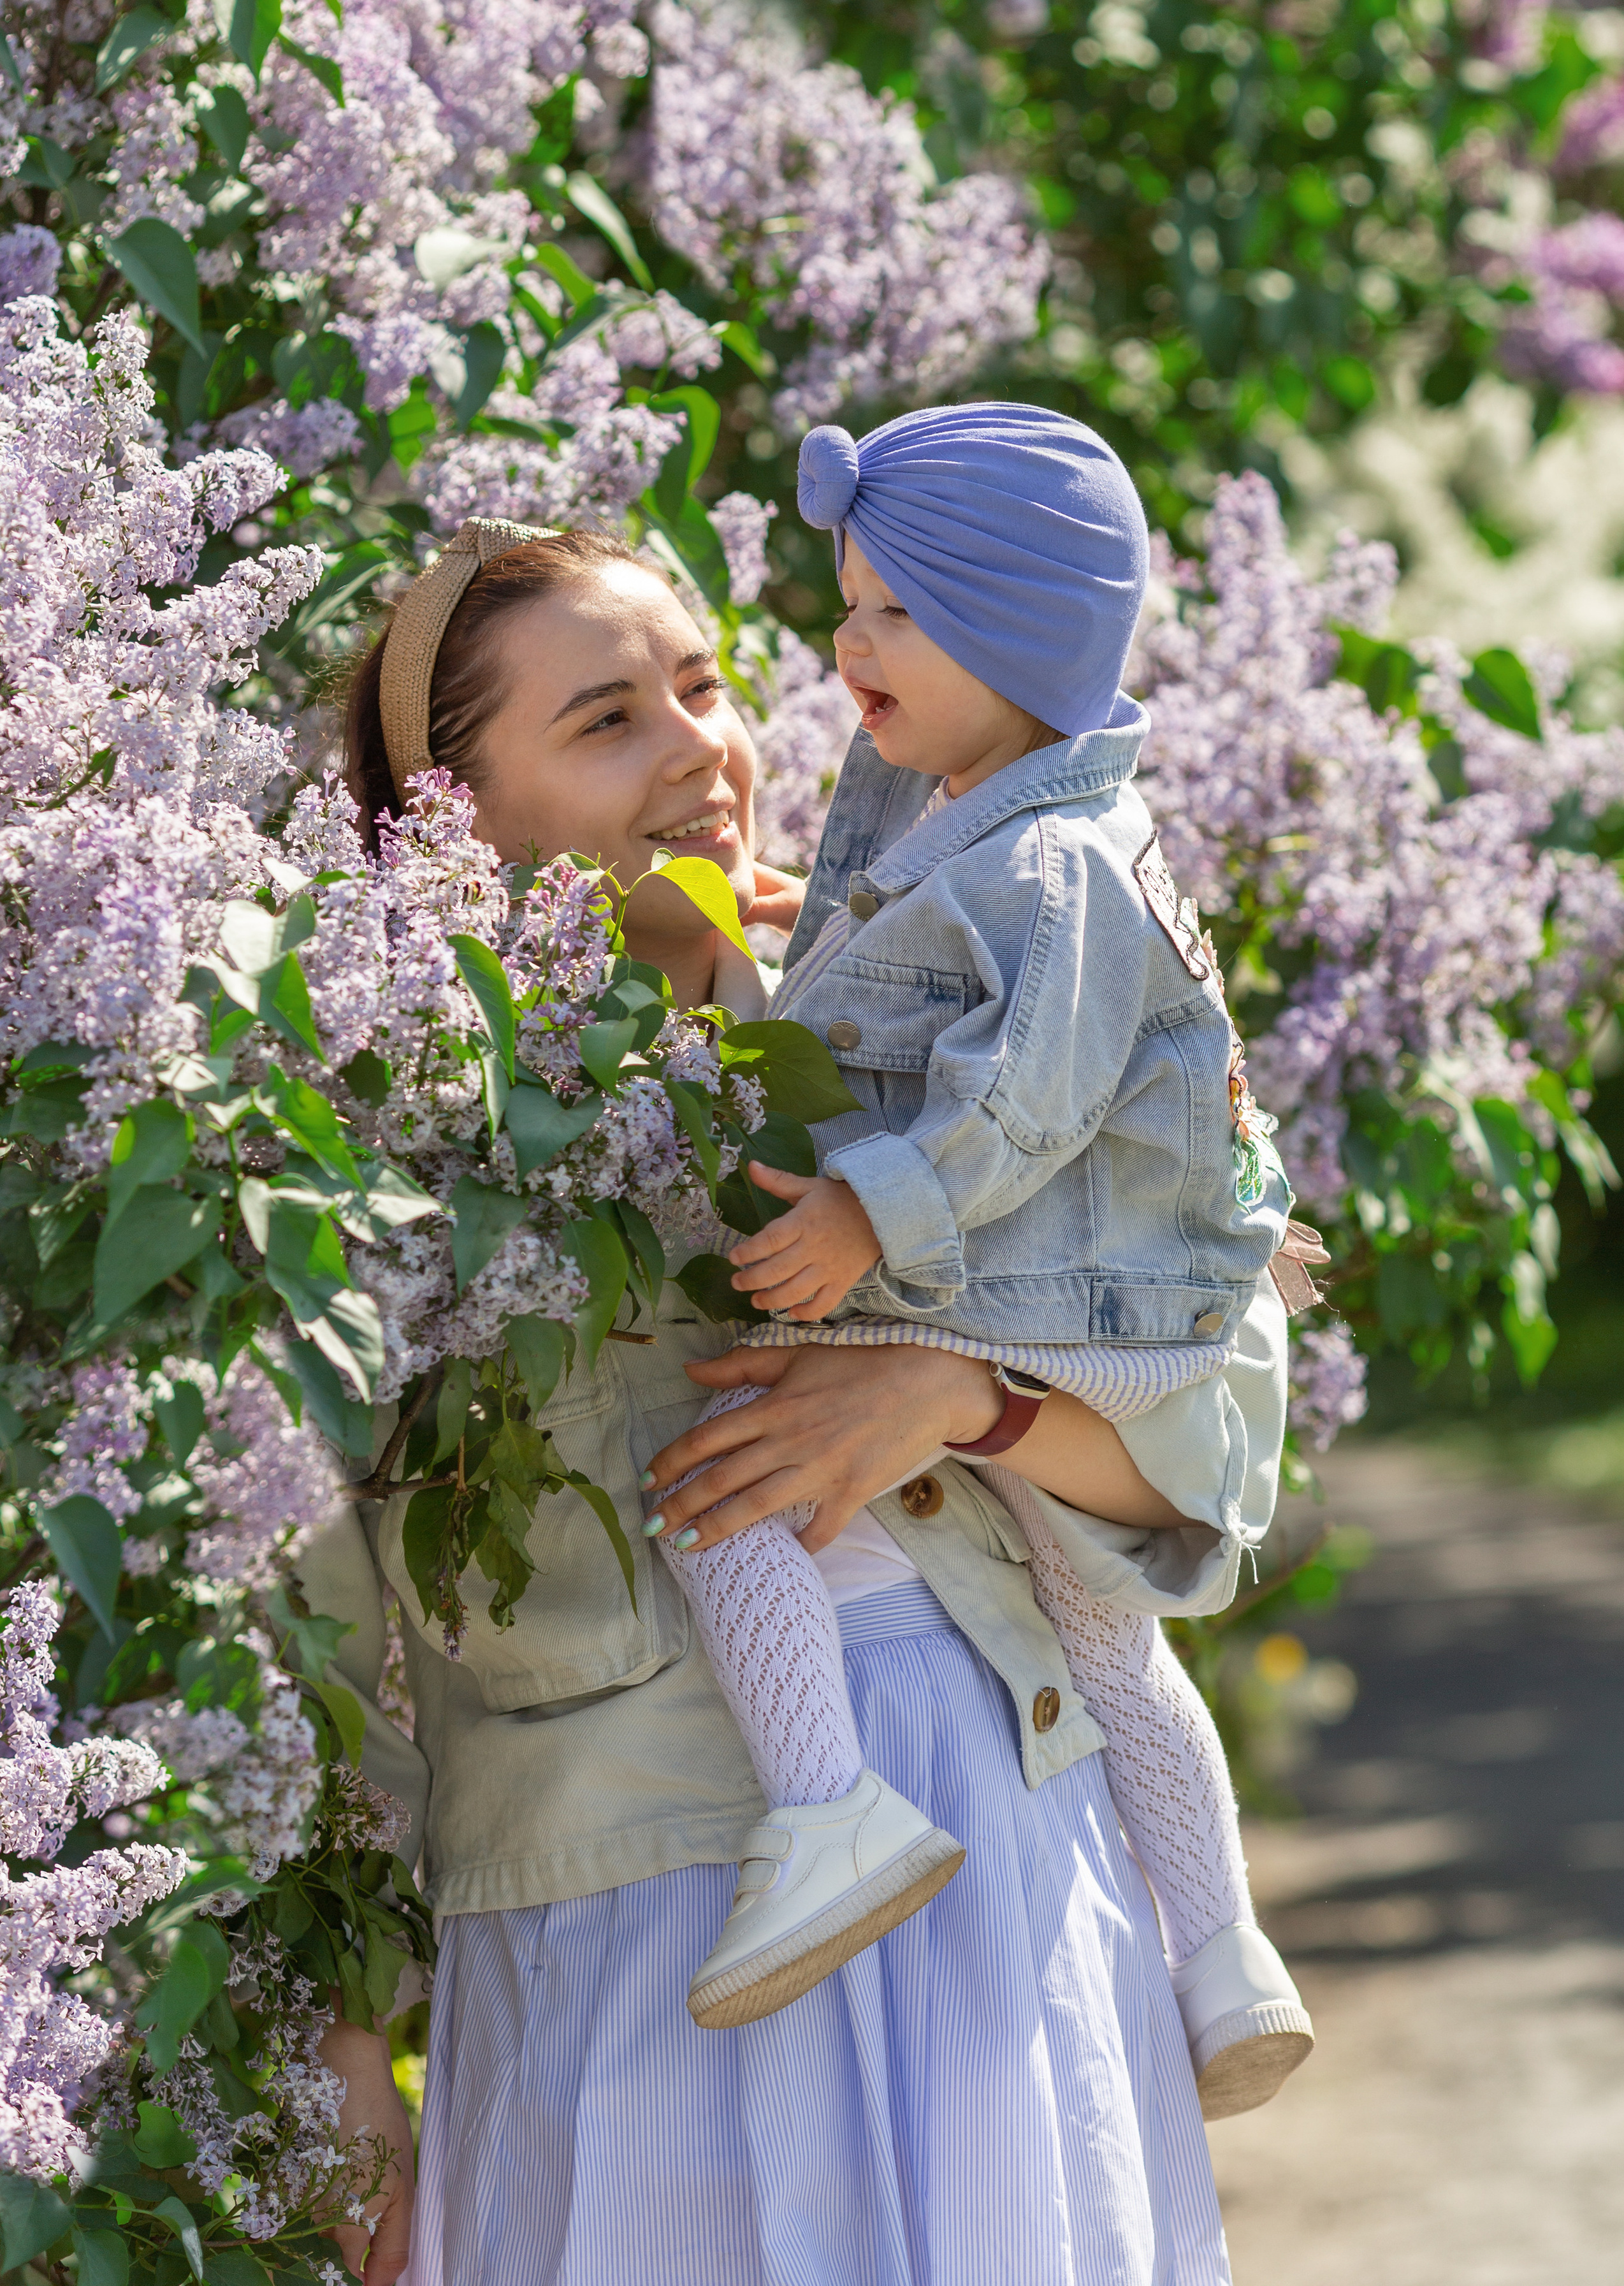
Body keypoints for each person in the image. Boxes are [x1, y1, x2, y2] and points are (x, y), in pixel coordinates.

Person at [307, 517, 1276, 2286]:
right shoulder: (365, 1146)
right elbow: (318, 1642)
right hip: (639, 1940)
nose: (703, 751)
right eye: (606, 723)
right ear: (449, 812)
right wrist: (353, 2067)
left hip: (995, 1861)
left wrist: (959, 1398)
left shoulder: (927, 975)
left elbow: (1221, 1406)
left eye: (699, 687)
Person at [635, 405, 1312, 2123]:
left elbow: (1022, 1093)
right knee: (1100, 1633)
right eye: (847, 604)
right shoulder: (979, 802)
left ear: (1007, 637)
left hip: (1065, 1297)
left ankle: (827, 1812)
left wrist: (878, 1217)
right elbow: (906, 939)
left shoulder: (1056, 862)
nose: (843, 646)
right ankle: (1226, 1960)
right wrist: (786, 913)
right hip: (1093, 1300)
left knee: (721, 1492)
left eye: (891, 616)